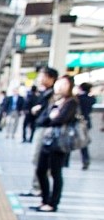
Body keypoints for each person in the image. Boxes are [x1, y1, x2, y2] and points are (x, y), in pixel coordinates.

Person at [31, 75, 78, 212]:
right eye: (59, 83)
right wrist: (51, 117)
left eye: (64, 84)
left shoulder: (71, 102)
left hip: (60, 143)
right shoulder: (55, 101)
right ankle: (45, 200)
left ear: (70, 86)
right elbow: (42, 120)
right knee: (41, 170)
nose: (60, 86)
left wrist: (52, 118)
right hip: (47, 141)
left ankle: (53, 203)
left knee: (56, 173)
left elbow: (60, 119)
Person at [19, 67, 59, 197]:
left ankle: (38, 188)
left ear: (50, 78)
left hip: (45, 129)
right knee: (37, 160)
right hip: (41, 128)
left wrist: (38, 109)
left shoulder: (52, 94)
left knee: (40, 160)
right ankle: (37, 187)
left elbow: (51, 113)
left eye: (42, 76)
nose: (39, 79)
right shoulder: (45, 93)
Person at [77, 82, 94, 170]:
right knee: (83, 143)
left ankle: (65, 161)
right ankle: (85, 160)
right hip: (86, 122)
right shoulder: (91, 99)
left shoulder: (78, 98)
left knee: (68, 139)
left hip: (77, 122)